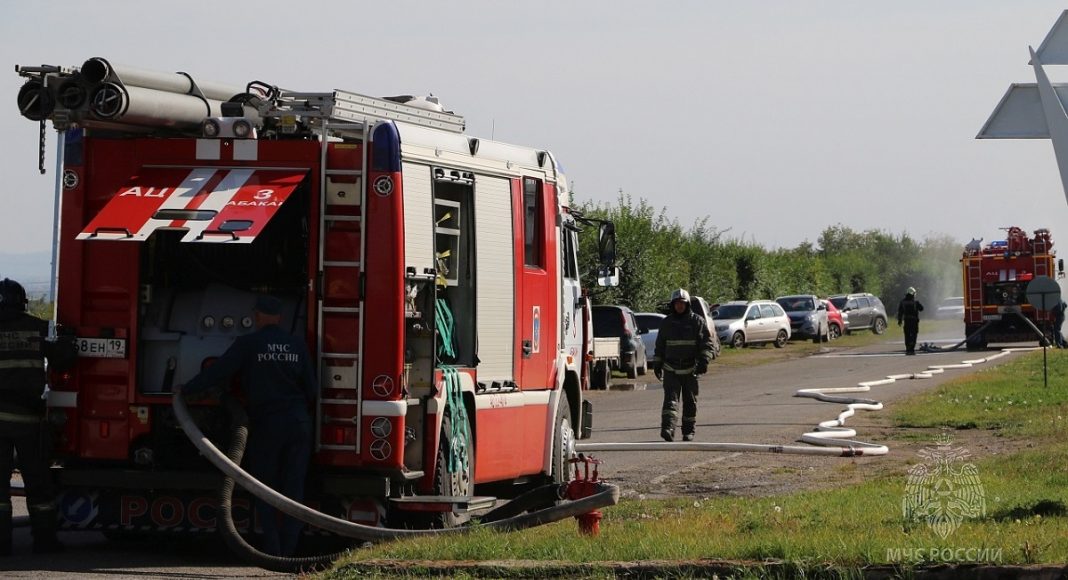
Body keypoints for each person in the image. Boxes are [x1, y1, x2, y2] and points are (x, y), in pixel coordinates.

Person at [177, 295, 317, 557]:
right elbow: (312, 389)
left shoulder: (249, 343)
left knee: (263, 486)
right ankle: (291, 551)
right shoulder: (297, 345)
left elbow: (218, 371)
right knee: (294, 487)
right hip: (299, 424)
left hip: (267, 424)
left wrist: (186, 389)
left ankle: (273, 551)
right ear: (280, 317)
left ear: (258, 316)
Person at [0, 278, 76, 556]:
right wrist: (68, 337)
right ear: (21, 302)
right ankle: (45, 541)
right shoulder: (37, 327)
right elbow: (64, 357)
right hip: (27, 422)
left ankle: (2, 545)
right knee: (38, 484)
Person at [652, 288, 716, 442]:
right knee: (670, 401)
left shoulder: (697, 322)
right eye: (677, 303)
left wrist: (704, 361)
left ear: (687, 305)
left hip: (690, 370)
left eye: (682, 303)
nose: (679, 306)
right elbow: (660, 345)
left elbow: (707, 344)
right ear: (673, 305)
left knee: (690, 402)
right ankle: (668, 429)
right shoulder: (667, 323)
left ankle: (688, 431)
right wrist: (657, 364)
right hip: (670, 369)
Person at [896, 287, 925, 355]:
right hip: (914, 321)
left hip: (907, 321)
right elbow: (922, 308)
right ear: (913, 294)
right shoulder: (915, 302)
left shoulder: (902, 302)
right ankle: (912, 348)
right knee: (914, 334)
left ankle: (908, 348)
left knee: (907, 335)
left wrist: (900, 321)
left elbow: (900, 312)